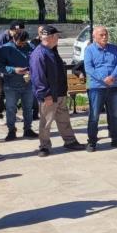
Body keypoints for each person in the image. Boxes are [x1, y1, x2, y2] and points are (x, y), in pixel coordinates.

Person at [29, 26, 83, 157]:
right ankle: (44, 146)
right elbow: (38, 76)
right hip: (49, 95)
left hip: (60, 93)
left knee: (64, 119)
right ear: (51, 37)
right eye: (57, 36)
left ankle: (70, 141)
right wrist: (45, 94)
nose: (59, 38)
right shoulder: (39, 53)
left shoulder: (52, 50)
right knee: (46, 122)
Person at [83, 26, 117, 152]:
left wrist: (112, 76)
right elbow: (89, 68)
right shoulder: (89, 50)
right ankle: (92, 142)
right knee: (94, 115)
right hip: (97, 87)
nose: (104, 37)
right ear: (94, 36)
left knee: (114, 115)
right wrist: (103, 78)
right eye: (101, 35)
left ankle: (116, 139)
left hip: (114, 85)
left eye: (106, 34)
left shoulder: (114, 48)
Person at [0, 29, 37, 141]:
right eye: (20, 42)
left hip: (27, 84)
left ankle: (28, 129)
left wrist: (31, 71)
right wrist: (14, 70)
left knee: (28, 108)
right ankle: (11, 131)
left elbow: (35, 61)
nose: (23, 45)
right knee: (10, 109)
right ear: (14, 38)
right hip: (11, 85)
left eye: (24, 42)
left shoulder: (30, 47)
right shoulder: (5, 49)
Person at [0, 20, 25, 120]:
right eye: (18, 31)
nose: (20, 34)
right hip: (1, 71)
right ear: (12, 30)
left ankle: (10, 113)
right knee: (0, 93)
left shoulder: (17, 37)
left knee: (11, 93)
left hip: (12, 71)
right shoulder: (2, 38)